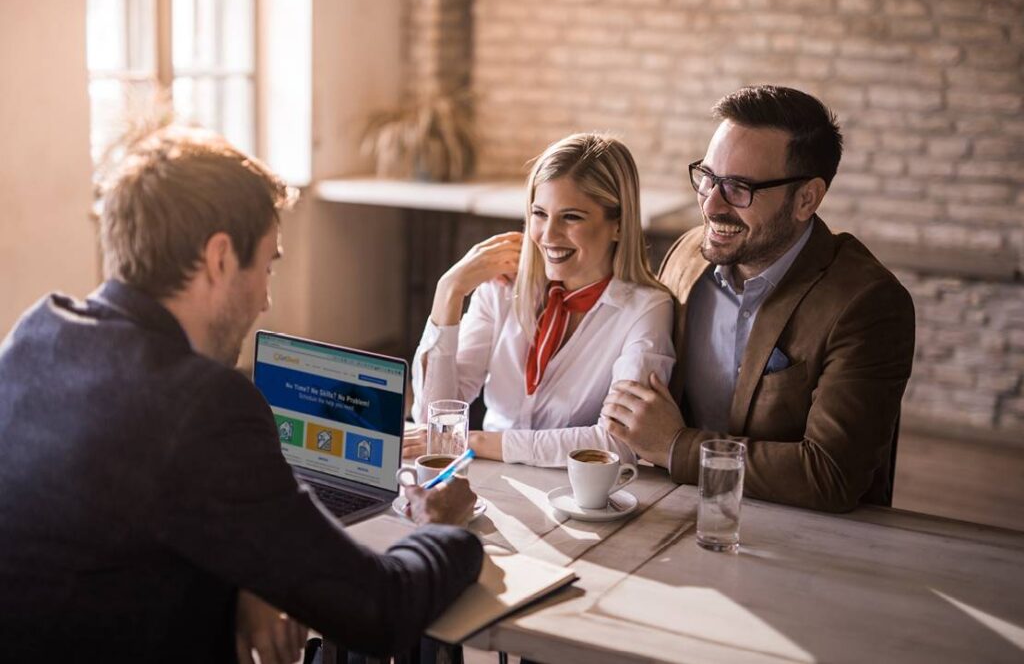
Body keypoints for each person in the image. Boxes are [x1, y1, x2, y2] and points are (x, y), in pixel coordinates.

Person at [0, 126, 482, 663]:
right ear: (220, 257)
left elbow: (123, 526)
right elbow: (380, 610)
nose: (266, 302)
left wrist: (247, 576)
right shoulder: (203, 404)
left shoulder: (36, 335)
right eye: (268, 264)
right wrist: (444, 525)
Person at [603, 86, 915, 513]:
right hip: (670, 511)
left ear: (807, 198)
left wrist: (677, 446)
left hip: (805, 542)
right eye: (708, 177)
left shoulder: (868, 303)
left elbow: (830, 475)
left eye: (738, 188)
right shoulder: (685, 257)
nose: (711, 204)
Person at [407, 133, 674, 467]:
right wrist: (448, 292)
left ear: (618, 225)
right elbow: (434, 418)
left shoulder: (646, 309)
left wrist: (472, 440)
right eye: (539, 213)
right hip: (484, 478)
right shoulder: (501, 288)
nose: (548, 235)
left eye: (572, 217)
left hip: (573, 494)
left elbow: (618, 442)